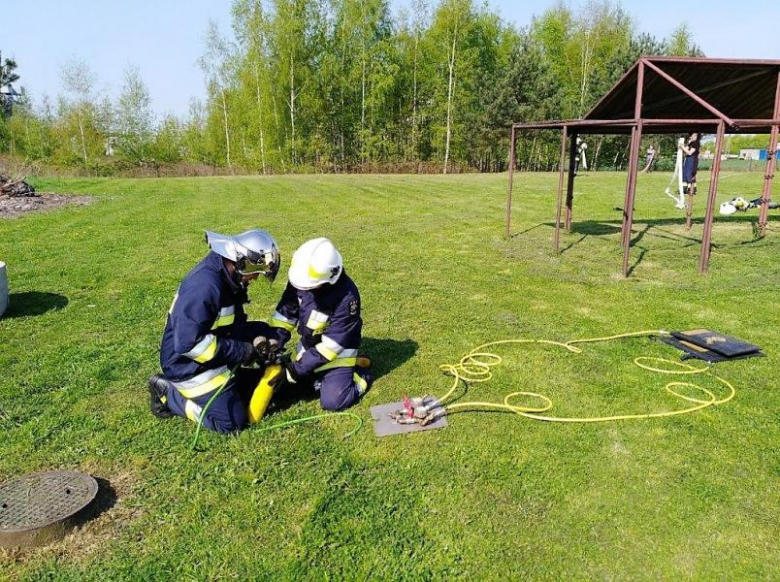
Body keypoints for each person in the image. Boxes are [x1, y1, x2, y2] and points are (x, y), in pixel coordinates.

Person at [148, 229, 281, 434]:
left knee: (257, 372)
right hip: (187, 366)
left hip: (210, 356)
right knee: (231, 422)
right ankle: (169, 394)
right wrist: (242, 351)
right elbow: (188, 344)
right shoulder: (205, 287)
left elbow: (230, 326)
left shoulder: (228, 279)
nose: (255, 278)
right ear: (242, 262)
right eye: (256, 272)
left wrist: (262, 336)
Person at [267, 238, 372, 411]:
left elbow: (331, 346)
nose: (305, 290)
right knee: (292, 389)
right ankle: (321, 378)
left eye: (311, 287)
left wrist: (294, 371)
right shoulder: (303, 278)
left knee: (333, 401)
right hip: (310, 346)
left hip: (339, 350)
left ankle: (361, 375)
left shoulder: (347, 298)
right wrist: (275, 343)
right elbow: (286, 314)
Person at [682, 132, 700, 197]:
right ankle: (684, 189)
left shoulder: (696, 144)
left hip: (692, 160)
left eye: (692, 136)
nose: (690, 137)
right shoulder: (691, 143)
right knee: (684, 174)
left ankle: (692, 190)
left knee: (689, 174)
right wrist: (684, 145)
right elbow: (686, 150)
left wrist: (682, 147)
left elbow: (689, 153)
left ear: (695, 136)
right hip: (688, 159)